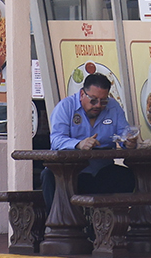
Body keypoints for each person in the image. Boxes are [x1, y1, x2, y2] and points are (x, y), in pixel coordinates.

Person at [42, 72, 138, 201]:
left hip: (101, 168)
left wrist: (128, 142)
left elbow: (124, 134)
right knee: (49, 176)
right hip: (70, 170)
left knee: (126, 176)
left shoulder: (113, 107)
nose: (98, 105)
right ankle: (58, 214)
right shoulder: (65, 107)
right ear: (82, 94)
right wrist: (78, 144)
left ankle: (111, 213)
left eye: (103, 101)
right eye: (93, 100)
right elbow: (56, 140)